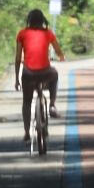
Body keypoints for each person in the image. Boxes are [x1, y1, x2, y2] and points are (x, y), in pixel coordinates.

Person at [15, 8, 65, 142]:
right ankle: (52, 104)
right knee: (54, 75)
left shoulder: (22, 34)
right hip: (45, 72)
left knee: (26, 101)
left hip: (28, 73)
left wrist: (16, 79)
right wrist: (61, 57)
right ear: (43, 20)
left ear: (29, 21)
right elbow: (58, 51)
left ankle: (26, 132)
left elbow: (18, 58)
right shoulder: (48, 33)